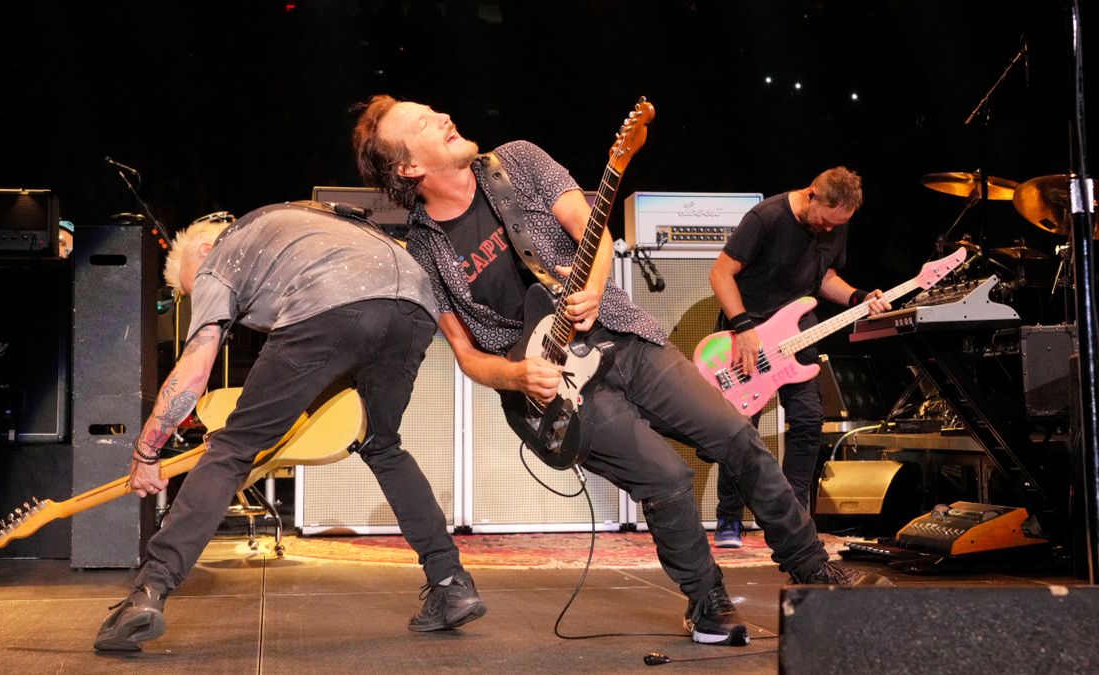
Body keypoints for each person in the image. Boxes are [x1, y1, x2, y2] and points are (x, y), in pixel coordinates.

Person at [353, 95, 890, 648]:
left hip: (625, 338)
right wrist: (516, 378)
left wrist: (589, 288)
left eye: (434, 110)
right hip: (557, 390)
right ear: (408, 167)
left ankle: (811, 568)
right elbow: (466, 354)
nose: (442, 116)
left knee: (738, 440)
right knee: (666, 479)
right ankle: (706, 600)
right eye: (422, 122)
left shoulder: (516, 160)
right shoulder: (422, 247)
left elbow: (595, 233)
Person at [93, 201, 486, 652]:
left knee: (232, 448)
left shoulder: (219, 258)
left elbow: (196, 366)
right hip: (414, 305)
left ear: (202, 249)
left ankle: (149, 591)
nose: (207, 302)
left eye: (191, 288)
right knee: (383, 445)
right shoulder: (294, 219)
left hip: (330, 303)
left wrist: (146, 453)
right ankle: (452, 582)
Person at [709, 167, 890, 548]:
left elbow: (824, 278)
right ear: (812, 195)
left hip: (799, 334)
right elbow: (721, 274)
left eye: (837, 224)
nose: (828, 229)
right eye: (825, 221)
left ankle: (792, 521)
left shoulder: (836, 222)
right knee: (740, 429)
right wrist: (743, 328)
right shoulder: (766, 218)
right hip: (750, 334)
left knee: (808, 423)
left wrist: (860, 298)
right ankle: (729, 517)